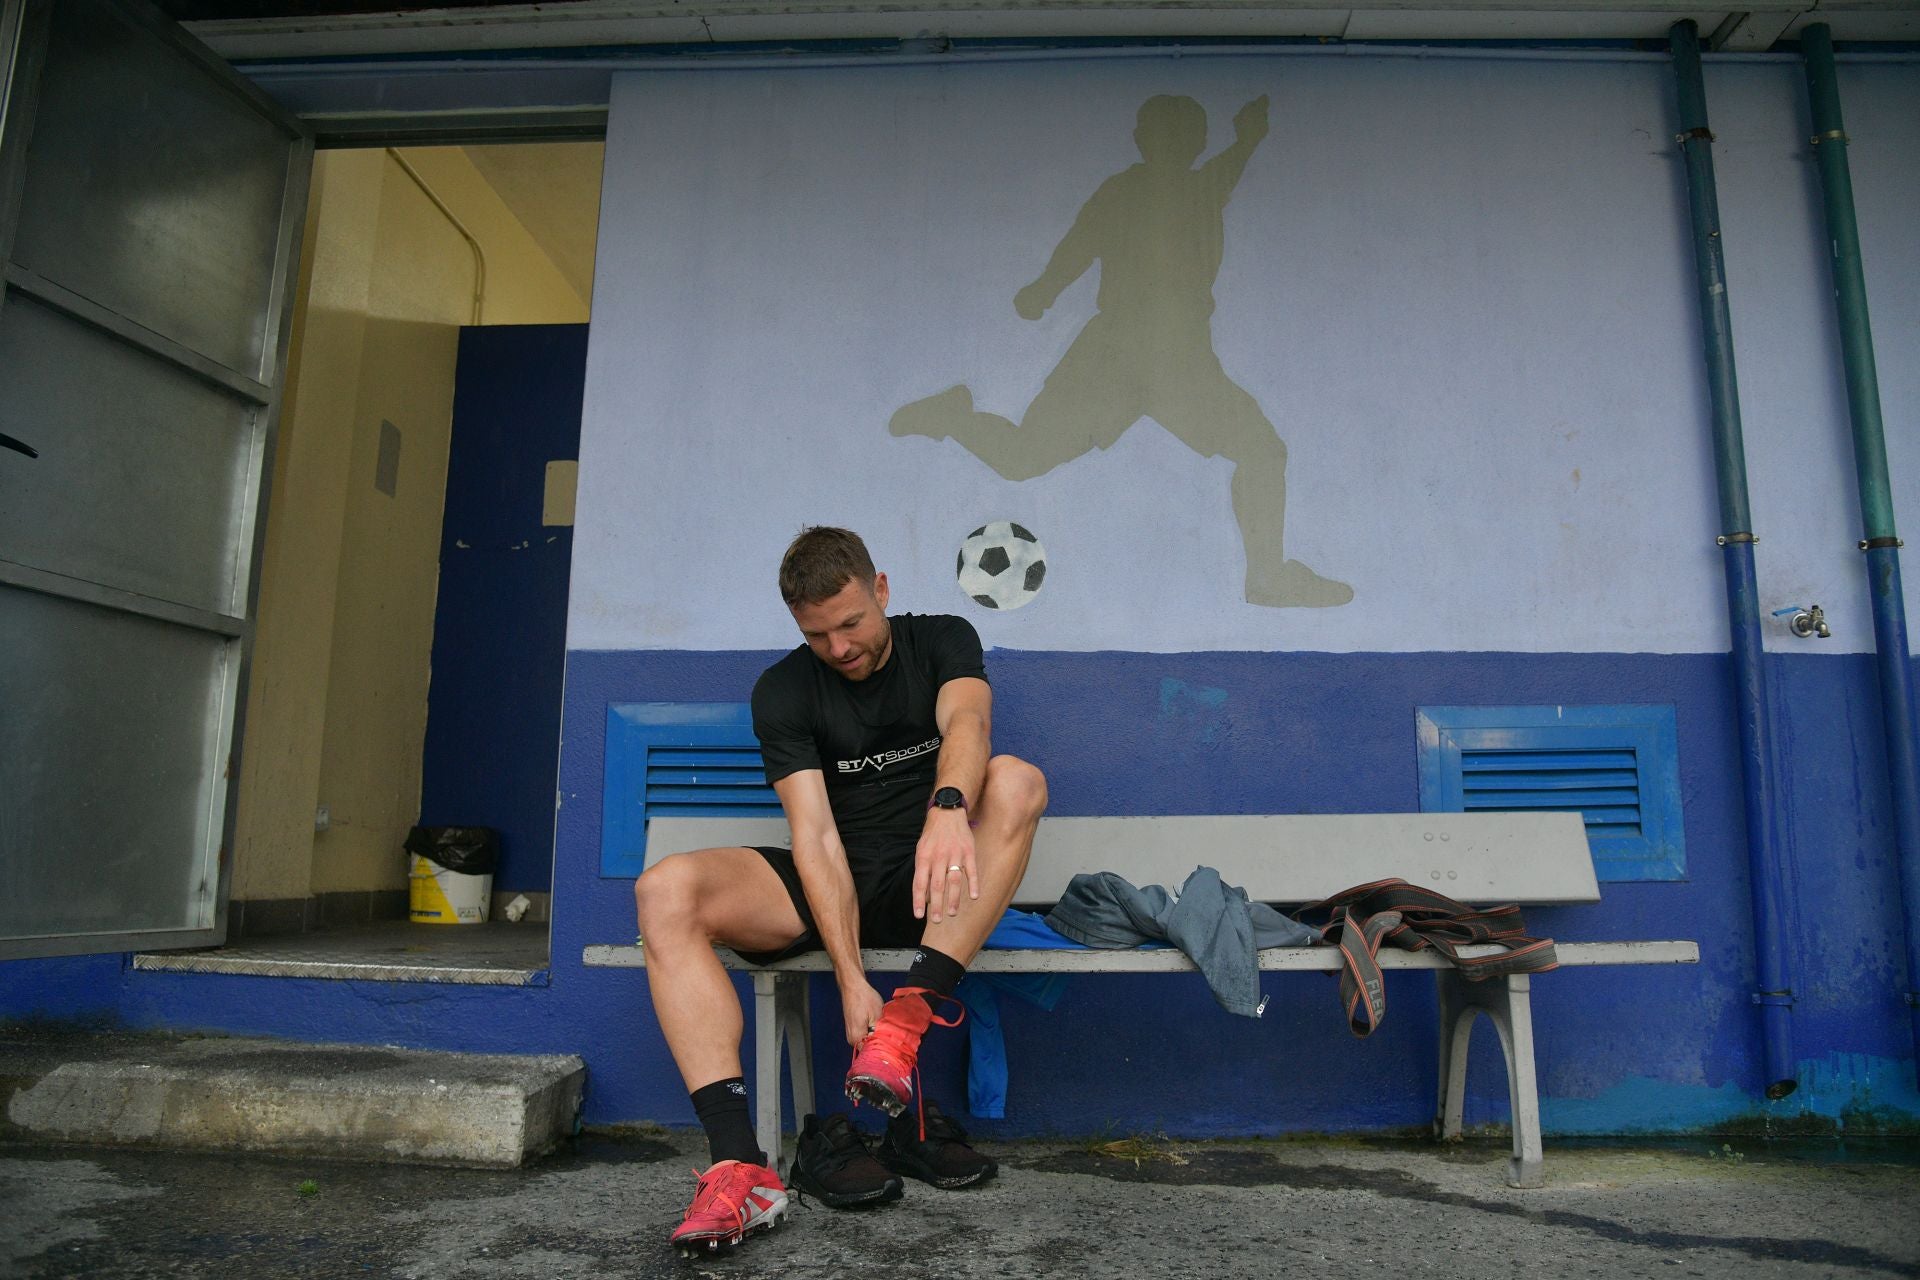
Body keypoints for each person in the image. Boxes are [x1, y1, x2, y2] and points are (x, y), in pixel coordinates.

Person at [634, 526, 1049, 1254]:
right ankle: (740, 1168)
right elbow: (816, 836)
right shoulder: (784, 689)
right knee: (665, 890)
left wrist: (949, 807)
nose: (839, 647)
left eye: (851, 623)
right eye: (817, 634)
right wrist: (851, 977)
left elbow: (969, 722)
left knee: (1016, 780)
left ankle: (905, 1025)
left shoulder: (942, 639)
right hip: (832, 879)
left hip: (933, 879)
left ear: (880, 589)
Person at [890, 94, 1351, 608]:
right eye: (1167, 137)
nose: (1174, 147)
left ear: (1191, 142)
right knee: (1026, 458)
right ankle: (953, 417)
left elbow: (1225, 167)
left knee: (1259, 449)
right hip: (1130, 354)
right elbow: (1080, 244)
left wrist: (1249, 138)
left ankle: (1266, 576)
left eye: (1182, 138)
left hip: (1163, 357)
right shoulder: (1156, 190)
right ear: (1145, 141)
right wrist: (1044, 288)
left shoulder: (1194, 188)